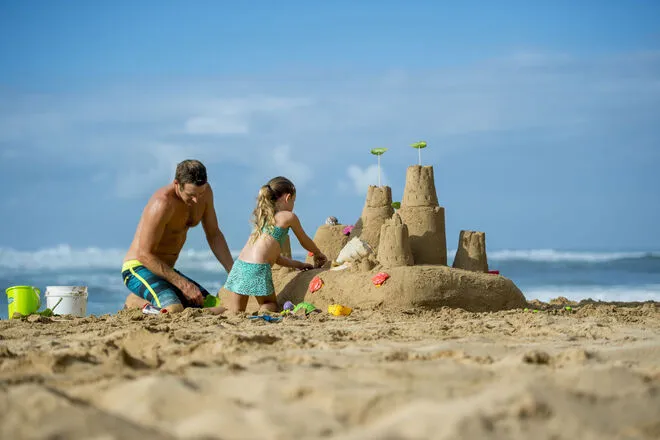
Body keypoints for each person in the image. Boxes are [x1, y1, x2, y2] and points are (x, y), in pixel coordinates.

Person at [121, 159, 234, 314]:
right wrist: (183, 284)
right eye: (191, 195)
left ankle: (156, 297)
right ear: (176, 184)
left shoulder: (205, 193)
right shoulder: (162, 204)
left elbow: (213, 234)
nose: (196, 200)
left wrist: (233, 272)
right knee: (173, 310)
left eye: (200, 194)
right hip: (139, 267)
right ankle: (134, 301)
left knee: (217, 305)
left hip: (166, 270)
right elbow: (144, 254)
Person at [223, 176, 327, 313]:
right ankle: (263, 317)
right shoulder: (288, 217)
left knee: (236, 312)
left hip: (240, 267)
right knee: (269, 304)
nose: (293, 205)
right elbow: (304, 240)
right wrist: (318, 252)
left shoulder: (263, 220)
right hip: (258, 269)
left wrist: (299, 265)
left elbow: (276, 258)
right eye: (294, 201)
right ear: (288, 197)